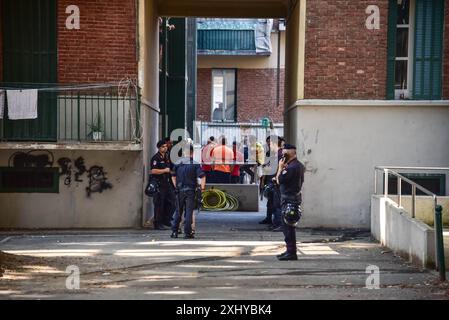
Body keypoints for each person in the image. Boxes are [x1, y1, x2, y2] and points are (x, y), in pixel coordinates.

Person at [275, 143, 305, 261]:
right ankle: (289, 250)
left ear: (290, 152)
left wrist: (280, 168)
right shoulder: (298, 165)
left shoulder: (291, 167)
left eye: (284, 152)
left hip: (289, 199)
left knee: (288, 227)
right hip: (292, 198)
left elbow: (279, 180)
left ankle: (291, 252)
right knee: (287, 226)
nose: (282, 154)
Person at [170, 144, 206, 239]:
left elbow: (173, 176)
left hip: (179, 190)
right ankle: (187, 233)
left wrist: (176, 186)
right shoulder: (195, 164)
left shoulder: (177, 163)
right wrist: (202, 189)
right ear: (192, 152)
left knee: (178, 211)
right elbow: (202, 177)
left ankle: (174, 232)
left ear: (183, 152)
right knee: (189, 212)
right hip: (190, 191)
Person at [150, 140, 176, 230]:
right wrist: (164, 170)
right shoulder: (156, 158)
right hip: (159, 184)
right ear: (159, 148)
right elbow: (153, 171)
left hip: (167, 183)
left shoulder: (167, 157)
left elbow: (171, 168)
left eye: (166, 146)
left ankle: (166, 220)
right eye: (163, 147)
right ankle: (158, 223)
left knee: (173, 202)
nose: (165, 148)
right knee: (159, 204)